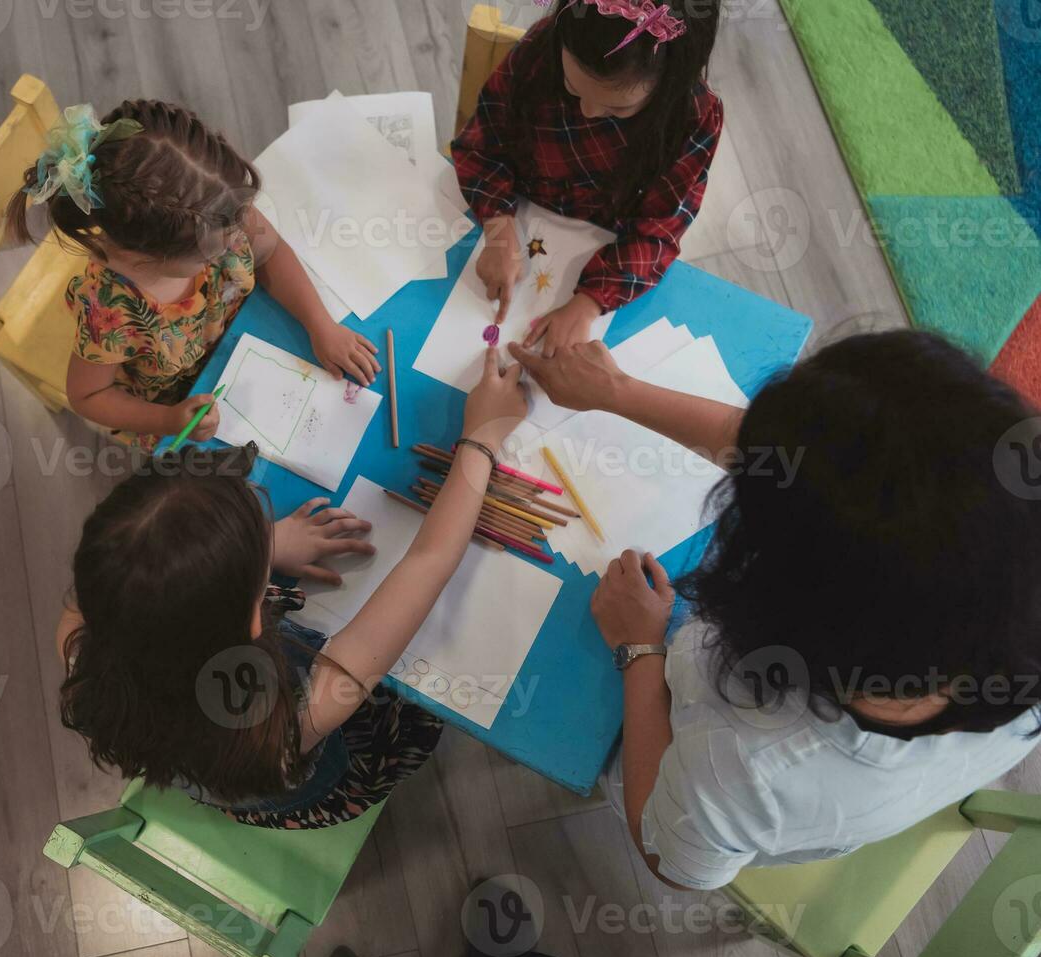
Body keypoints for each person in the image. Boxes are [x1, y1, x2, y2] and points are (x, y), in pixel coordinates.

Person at [508, 330, 1041, 890]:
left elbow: (667, 858)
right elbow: (832, 472)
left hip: (674, 765)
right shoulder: (976, 566)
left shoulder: (744, 766)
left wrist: (640, 650)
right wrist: (618, 391)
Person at [56, 350, 529, 827]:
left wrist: (252, 557)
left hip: (199, 758)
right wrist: (482, 438)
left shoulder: (83, 641)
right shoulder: (290, 717)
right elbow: (431, 562)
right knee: (415, 707)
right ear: (255, 614)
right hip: (302, 773)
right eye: (264, 544)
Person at [6, 99, 378, 448]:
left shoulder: (220, 208)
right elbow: (89, 396)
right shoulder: (110, 311)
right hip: (179, 403)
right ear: (146, 257)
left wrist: (321, 325)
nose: (238, 235)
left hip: (246, 339)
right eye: (211, 254)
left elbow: (271, 251)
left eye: (238, 223)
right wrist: (168, 420)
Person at [453, 0, 722, 352]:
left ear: (671, 80)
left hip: (607, 237)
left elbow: (658, 230)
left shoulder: (692, 117)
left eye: (617, 108)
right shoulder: (539, 51)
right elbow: (480, 146)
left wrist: (590, 302)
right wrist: (499, 225)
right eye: (571, 86)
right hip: (523, 201)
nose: (588, 110)